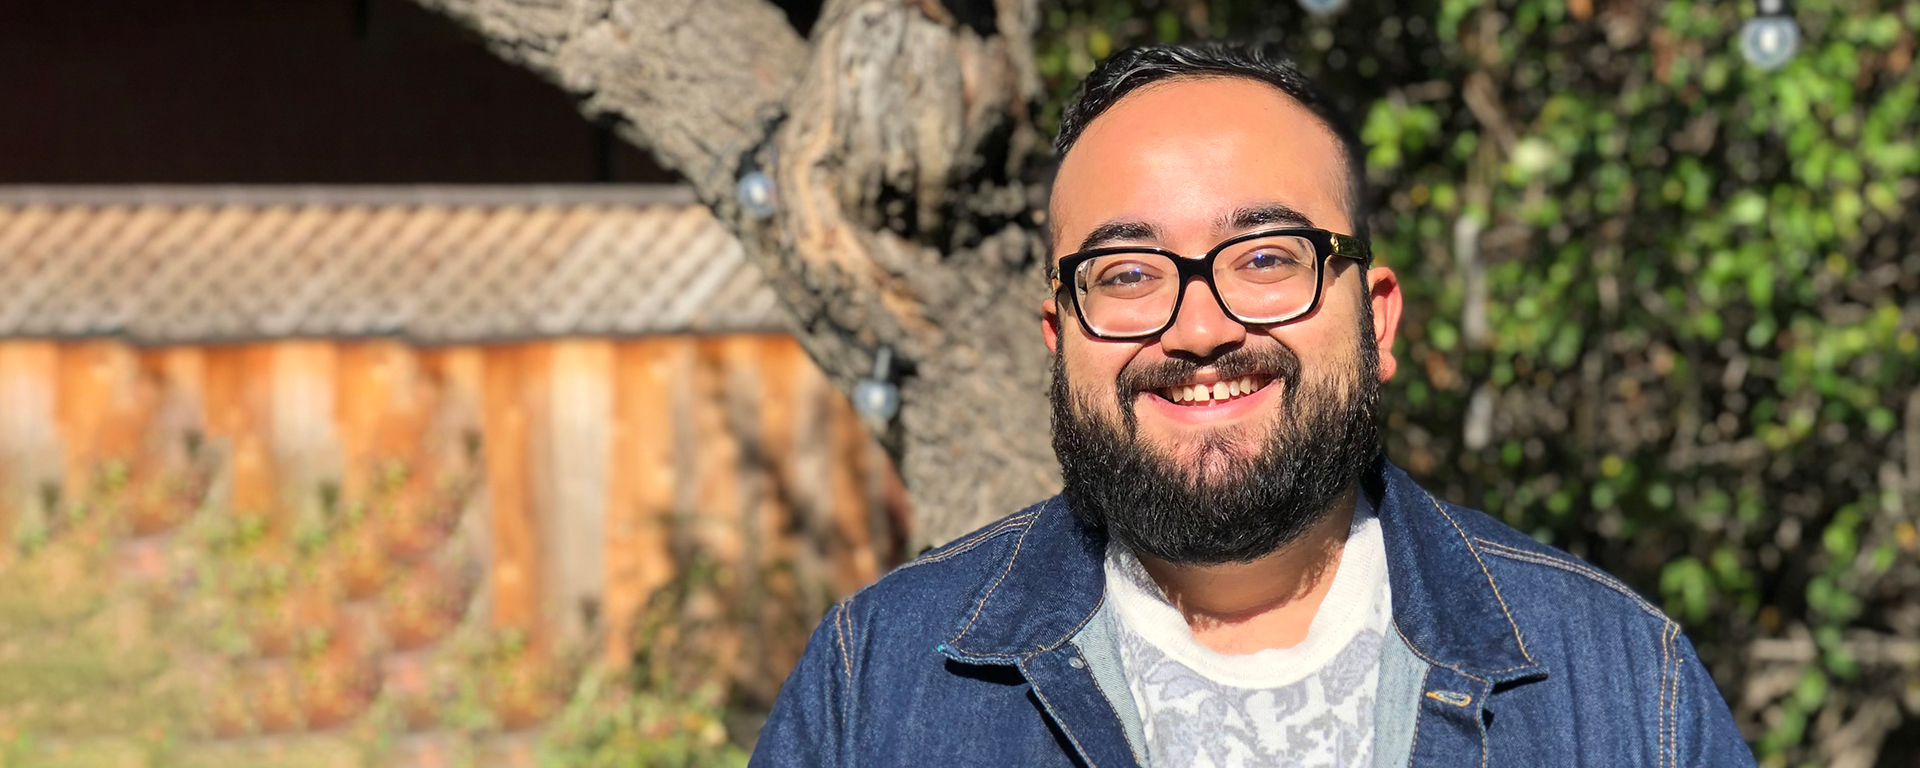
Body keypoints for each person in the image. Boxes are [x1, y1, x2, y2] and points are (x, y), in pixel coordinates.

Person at [750, 42, 1754, 767]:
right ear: (1059, 340)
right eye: (1128, 272)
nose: (1199, 329)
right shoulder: (875, 685)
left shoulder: (1622, 685)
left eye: (1268, 259)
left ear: (1378, 320)